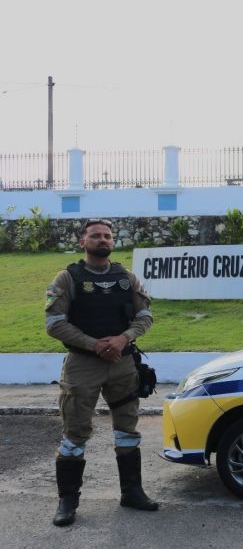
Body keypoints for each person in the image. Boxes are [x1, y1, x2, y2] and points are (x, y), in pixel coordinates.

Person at [45, 218, 158, 527]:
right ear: (83, 241)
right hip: (83, 365)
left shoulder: (127, 277)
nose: (103, 239)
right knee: (75, 432)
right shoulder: (67, 278)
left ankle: (132, 493)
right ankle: (67, 501)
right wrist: (94, 344)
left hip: (122, 363)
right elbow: (54, 324)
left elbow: (145, 315)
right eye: (95, 235)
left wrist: (124, 338)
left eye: (107, 235)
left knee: (127, 429)